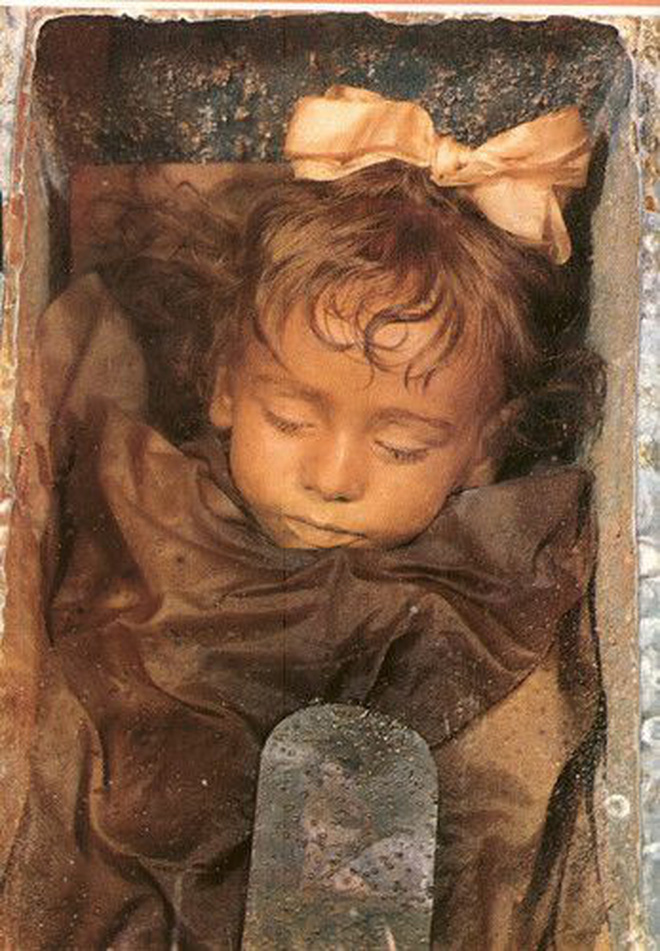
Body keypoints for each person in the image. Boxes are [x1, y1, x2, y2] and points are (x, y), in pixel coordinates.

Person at [1, 87, 608, 948]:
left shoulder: (485, 589)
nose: (332, 477)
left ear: (484, 448)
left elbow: (505, 812)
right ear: (225, 386)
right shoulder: (153, 513)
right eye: (289, 420)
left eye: (400, 445)